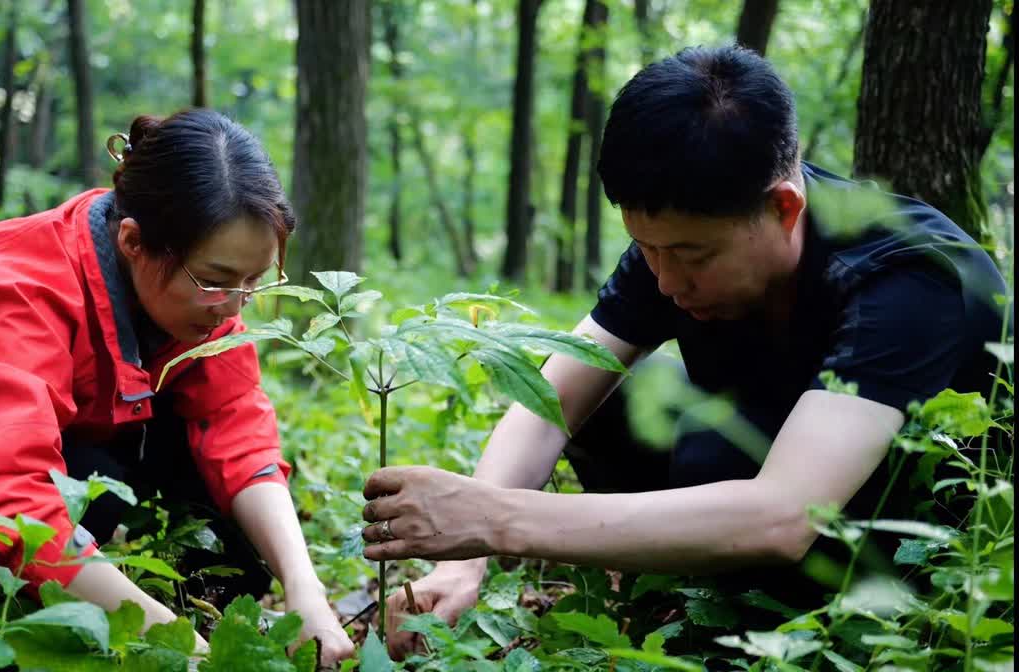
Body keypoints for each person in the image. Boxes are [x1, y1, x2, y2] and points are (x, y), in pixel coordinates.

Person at [361, 45, 1011, 658]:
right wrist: (461, 561)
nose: (667, 282)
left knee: (718, 458)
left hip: (904, 546)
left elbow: (787, 515)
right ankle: (682, 596)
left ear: (784, 208)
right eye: (649, 251)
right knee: (616, 400)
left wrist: (497, 519)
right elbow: (549, 399)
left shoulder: (905, 276)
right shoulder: (687, 228)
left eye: (693, 257)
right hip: (772, 469)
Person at [0, 109, 355, 665]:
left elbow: (236, 427)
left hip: (38, 453)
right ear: (133, 241)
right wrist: (176, 645)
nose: (232, 307)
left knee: (221, 503)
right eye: (215, 280)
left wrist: (305, 589)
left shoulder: (204, 296)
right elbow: (8, 495)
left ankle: (190, 604)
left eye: (253, 281)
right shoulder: (19, 288)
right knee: (90, 481)